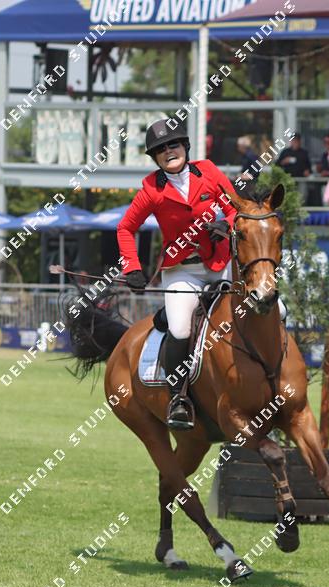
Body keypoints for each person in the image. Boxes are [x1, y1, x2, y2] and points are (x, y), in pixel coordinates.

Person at [117, 119, 239, 430]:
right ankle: (179, 399)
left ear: (185, 146)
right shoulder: (151, 190)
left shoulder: (208, 171)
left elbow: (235, 208)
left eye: (173, 144)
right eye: (160, 149)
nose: (168, 151)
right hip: (184, 271)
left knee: (267, 307)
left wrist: (226, 225)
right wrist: (132, 267)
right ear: (155, 158)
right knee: (181, 329)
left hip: (221, 262)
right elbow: (125, 228)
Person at [275, 132, 312, 203]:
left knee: (301, 197)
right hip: (287, 180)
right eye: (293, 140)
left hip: (300, 179)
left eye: (297, 140)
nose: (295, 142)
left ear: (300, 141)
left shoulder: (304, 153)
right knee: (286, 197)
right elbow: (277, 165)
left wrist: (307, 171)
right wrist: (284, 162)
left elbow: (309, 168)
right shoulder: (285, 152)